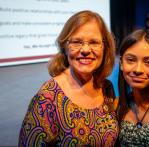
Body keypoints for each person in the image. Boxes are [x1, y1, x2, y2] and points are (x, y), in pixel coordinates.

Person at [18, 10, 119, 146]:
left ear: (105, 48)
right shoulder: (48, 98)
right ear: (65, 47)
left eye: (94, 42)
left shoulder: (106, 87)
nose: (85, 50)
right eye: (77, 42)